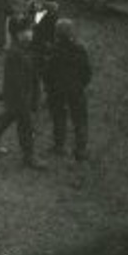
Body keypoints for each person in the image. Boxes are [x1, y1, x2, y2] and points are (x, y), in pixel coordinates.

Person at [0, 14, 44, 169]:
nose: (31, 33)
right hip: (20, 95)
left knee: (8, 115)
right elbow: (17, 79)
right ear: (19, 34)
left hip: (17, 94)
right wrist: (26, 100)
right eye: (28, 30)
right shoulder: (17, 53)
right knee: (26, 125)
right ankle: (29, 157)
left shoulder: (21, 49)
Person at [46, 18, 92, 160]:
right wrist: (81, 84)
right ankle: (81, 150)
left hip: (57, 90)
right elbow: (87, 72)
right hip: (76, 89)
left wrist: (49, 86)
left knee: (59, 117)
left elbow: (48, 72)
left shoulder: (54, 50)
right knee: (80, 120)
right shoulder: (80, 49)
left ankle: (59, 145)